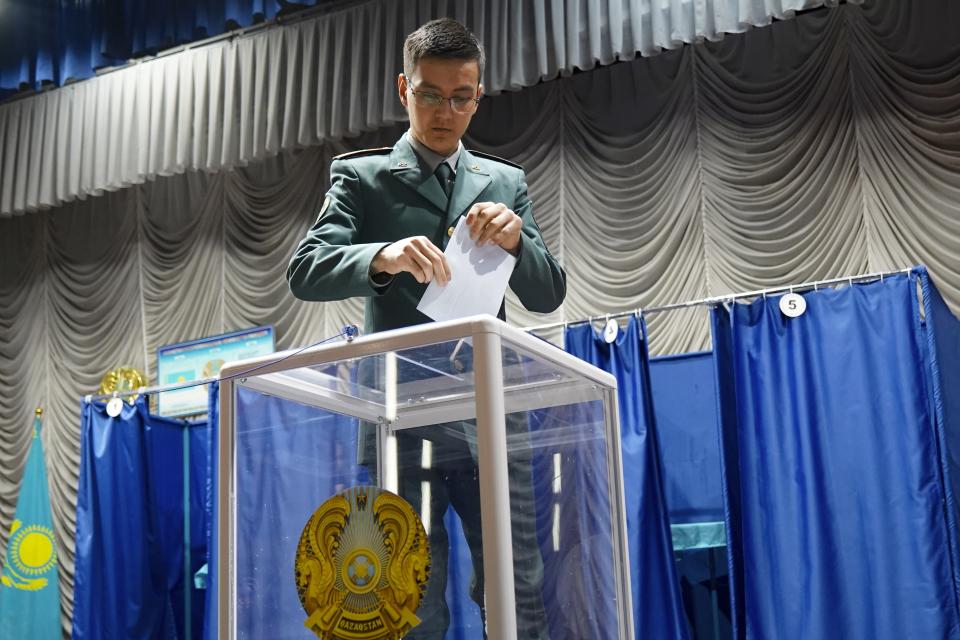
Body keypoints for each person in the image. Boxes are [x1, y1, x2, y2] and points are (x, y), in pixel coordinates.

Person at [287, 17, 564, 639]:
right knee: (411, 596)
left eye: (461, 97)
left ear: (479, 96)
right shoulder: (361, 179)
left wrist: (520, 242)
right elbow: (304, 270)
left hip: (489, 414)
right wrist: (380, 257)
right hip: (399, 416)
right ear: (402, 90)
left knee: (516, 588)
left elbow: (547, 295)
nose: (446, 111)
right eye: (430, 94)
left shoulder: (505, 184)